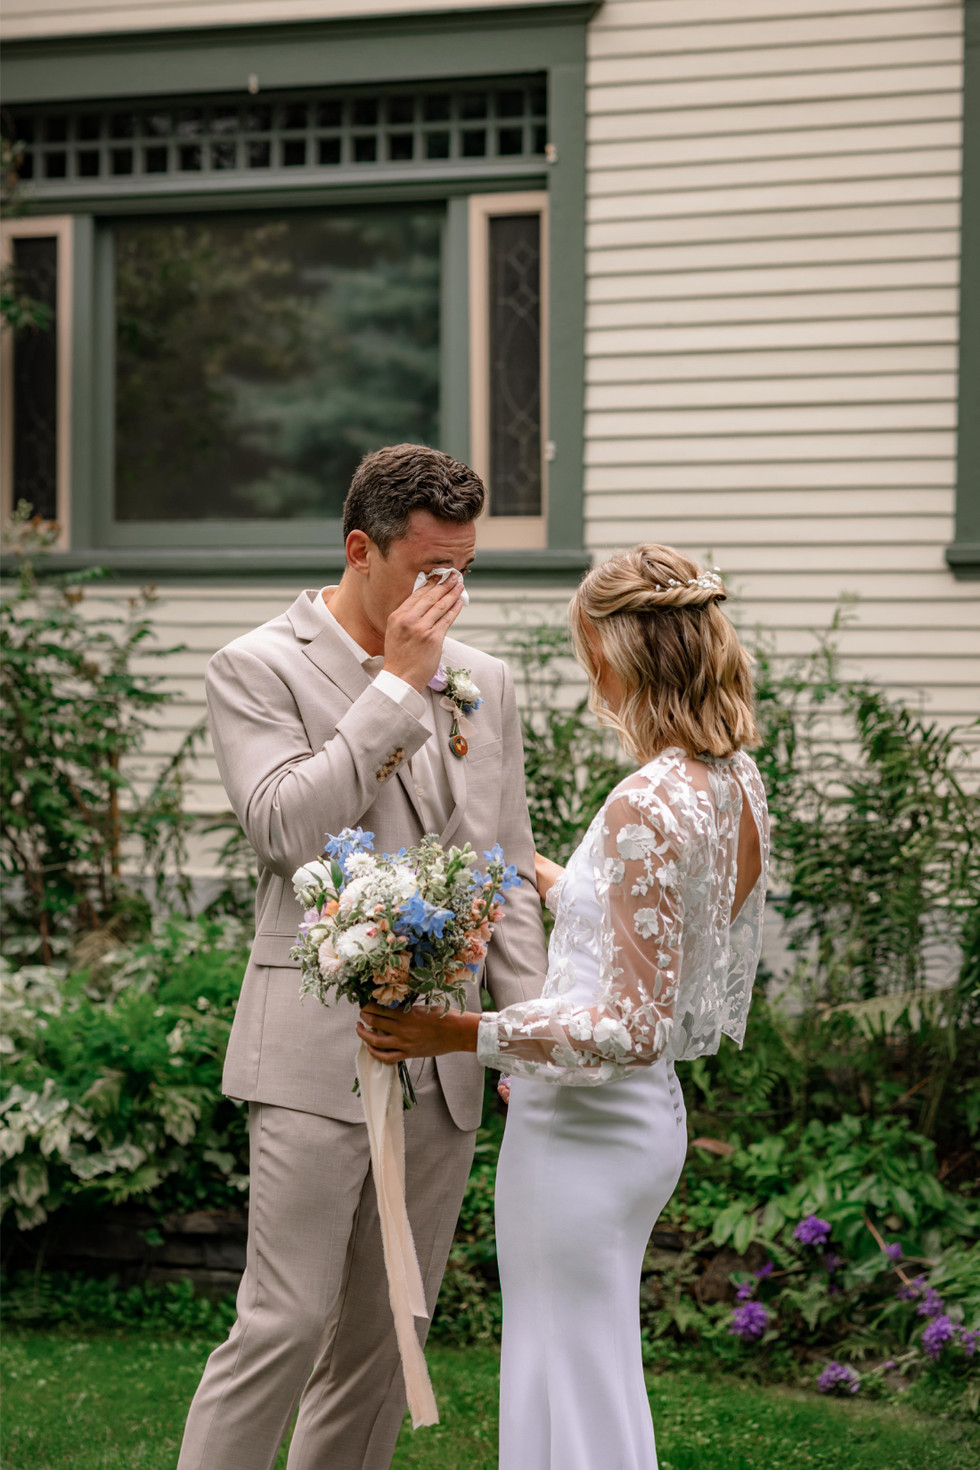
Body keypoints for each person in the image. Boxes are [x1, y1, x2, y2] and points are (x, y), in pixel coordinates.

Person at [357, 543, 770, 1470]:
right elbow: (665, 933)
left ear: (622, 657)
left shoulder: (641, 803)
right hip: (642, 1125)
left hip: (582, 1136)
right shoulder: (734, 782)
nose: (595, 680)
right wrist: (546, 876)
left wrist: (460, 1034)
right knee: (591, 1367)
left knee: (564, 1373)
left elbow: (627, 1024)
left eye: (593, 656)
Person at [178, 443, 547, 1470]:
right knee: (284, 1323)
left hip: (446, 1061)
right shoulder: (256, 666)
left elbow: (505, 868)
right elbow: (284, 829)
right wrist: (395, 686)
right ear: (359, 549)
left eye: (461, 569)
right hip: (313, 1052)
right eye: (429, 569)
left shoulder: (489, 683)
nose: (448, 594)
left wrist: (524, 1036)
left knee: (390, 1334)